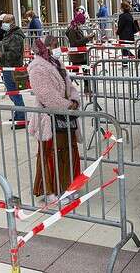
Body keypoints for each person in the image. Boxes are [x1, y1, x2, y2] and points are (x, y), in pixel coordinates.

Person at [28, 36, 81, 205]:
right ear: (45, 47)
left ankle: (68, 186)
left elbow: (70, 85)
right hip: (49, 117)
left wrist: (74, 100)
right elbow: (46, 94)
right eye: (54, 45)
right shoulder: (37, 67)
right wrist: (67, 105)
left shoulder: (57, 63)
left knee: (68, 151)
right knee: (50, 153)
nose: (57, 48)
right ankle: (49, 189)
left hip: (66, 115)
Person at [0, 14, 27, 125]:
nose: (3, 24)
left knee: (14, 92)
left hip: (12, 67)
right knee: (12, 92)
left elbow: (14, 54)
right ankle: (19, 114)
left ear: (12, 22)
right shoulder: (9, 34)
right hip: (7, 67)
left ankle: (21, 117)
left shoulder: (15, 36)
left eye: (6, 21)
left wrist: (0, 55)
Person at [66, 12, 94, 93]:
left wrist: (87, 38)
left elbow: (79, 40)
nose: (81, 24)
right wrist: (87, 38)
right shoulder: (72, 30)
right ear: (78, 21)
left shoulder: (76, 28)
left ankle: (87, 88)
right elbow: (74, 43)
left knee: (85, 71)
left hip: (81, 55)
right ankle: (67, 89)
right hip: (77, 56)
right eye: (81, 23)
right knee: (75, 72)